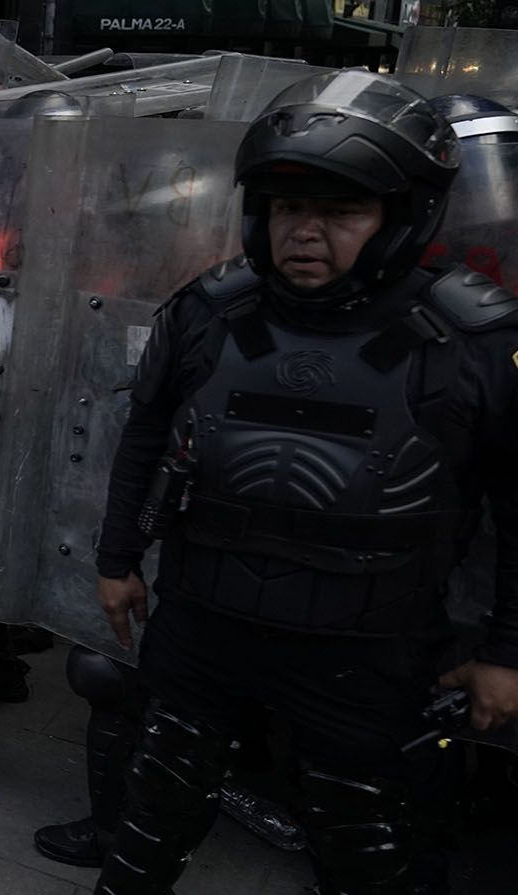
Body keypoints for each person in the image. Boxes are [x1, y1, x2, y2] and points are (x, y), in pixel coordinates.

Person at [93, 72, 518, 894]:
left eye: (340, 212)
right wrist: (118, 558)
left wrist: (507, 651)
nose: (306, 233)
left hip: (366, 651)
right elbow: (143, 432)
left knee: (362, 838)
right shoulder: (209, 312)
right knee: (154, 808)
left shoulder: (470, 341)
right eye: (289, 209)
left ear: (401, 218)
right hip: (202, 623)